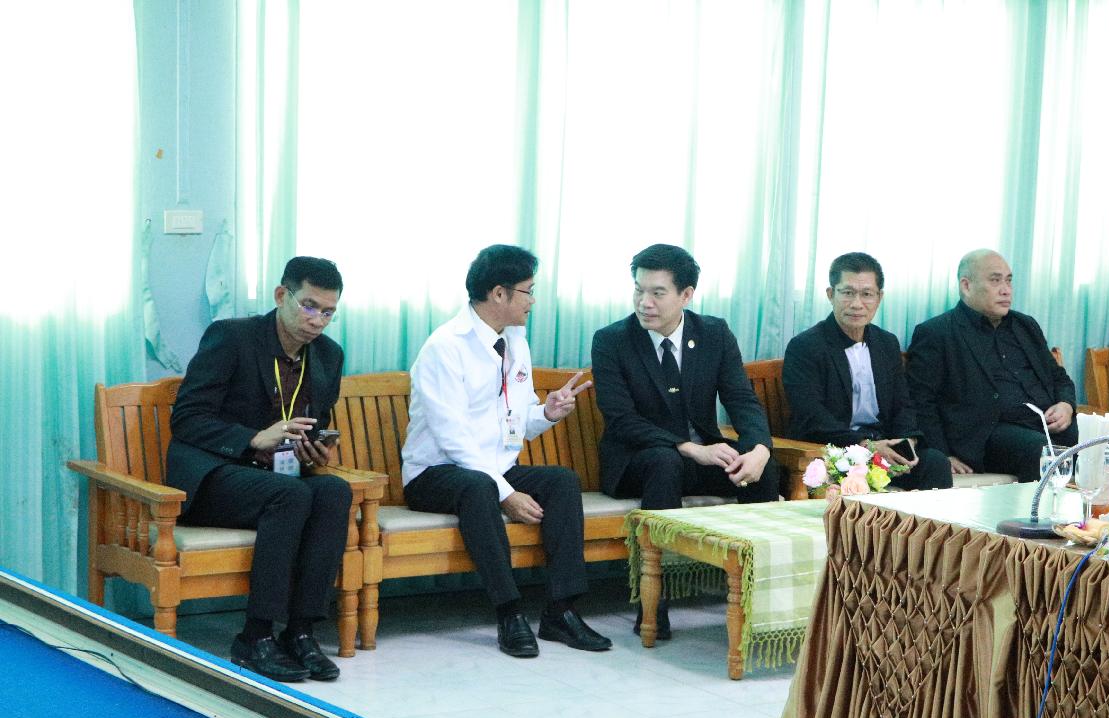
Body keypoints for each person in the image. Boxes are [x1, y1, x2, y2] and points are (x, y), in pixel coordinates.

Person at [400, 244, 610, 658]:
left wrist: (547, 412)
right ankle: (509, 613)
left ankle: (561, 611)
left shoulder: (515, 341)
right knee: (479, 487)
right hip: (435, 473)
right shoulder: (445, 347)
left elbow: (518, 420)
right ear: (499, 293)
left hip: (491, 469)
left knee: (562, 481)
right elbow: (454, 439)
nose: (533, 301)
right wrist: (506, 493)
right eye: (528, 291)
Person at [167, 256, 350, 683]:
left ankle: (301, 632)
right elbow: (187, 418)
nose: (317, 320)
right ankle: (255, 636)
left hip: (276, 478)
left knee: (334, 492)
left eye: (328, 312)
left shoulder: (328, 356)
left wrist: (312, 449)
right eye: (309, 306)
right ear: (281, 295)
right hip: (214, 475)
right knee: (291, 495)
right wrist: (253, 438)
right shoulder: (233, 337)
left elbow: (313, 421)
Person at [592, 243, 779, 639]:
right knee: (665, 462)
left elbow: (741, 399)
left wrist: (760, 449)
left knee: (763, 470)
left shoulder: (713, 333)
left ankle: (759, 600)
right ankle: (653, 605)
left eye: (657, 293)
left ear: (686, 295)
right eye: (639, 290)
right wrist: (688, 447)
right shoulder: (612, 340)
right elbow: (621, 418)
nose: (644, 302)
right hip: (639, 462)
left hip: (699, 459)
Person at [907, 248, 1109, 494]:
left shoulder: (1025, 326)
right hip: (988, 434)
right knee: (1041, 450)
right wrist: (943, 454)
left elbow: (1058, 377)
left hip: (1046, 424)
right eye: (995, 281)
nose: (1006, 290)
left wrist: (1066, 405)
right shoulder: (938, 332)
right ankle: (1043, 518)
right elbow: (922, 401)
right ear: (966, 285)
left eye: (1009, 281)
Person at [783, 252, 951, 490]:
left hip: (882, 448)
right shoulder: (805, 346)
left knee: (935, 462)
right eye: (847, 292)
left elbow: (902, 405)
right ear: (830, 294)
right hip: (833, 451)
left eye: (867, 294)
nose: (856, 304)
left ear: (879, 297)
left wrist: (907, 440)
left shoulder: (886, 343)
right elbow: (811, 416)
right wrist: (866, 446)